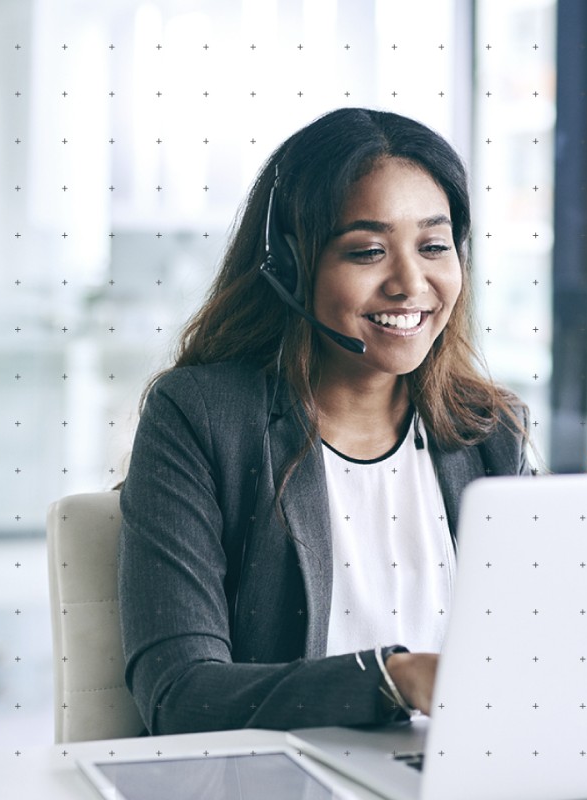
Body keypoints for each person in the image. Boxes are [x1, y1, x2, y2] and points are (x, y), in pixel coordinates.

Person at [117, 108, 536, 735]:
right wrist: (394, 681)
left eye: (433, 246)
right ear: (289, 267)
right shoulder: (200, 418)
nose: (409, 283)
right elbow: (180, 695)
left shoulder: (492, 430)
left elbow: (541, 652)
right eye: (368, 251)